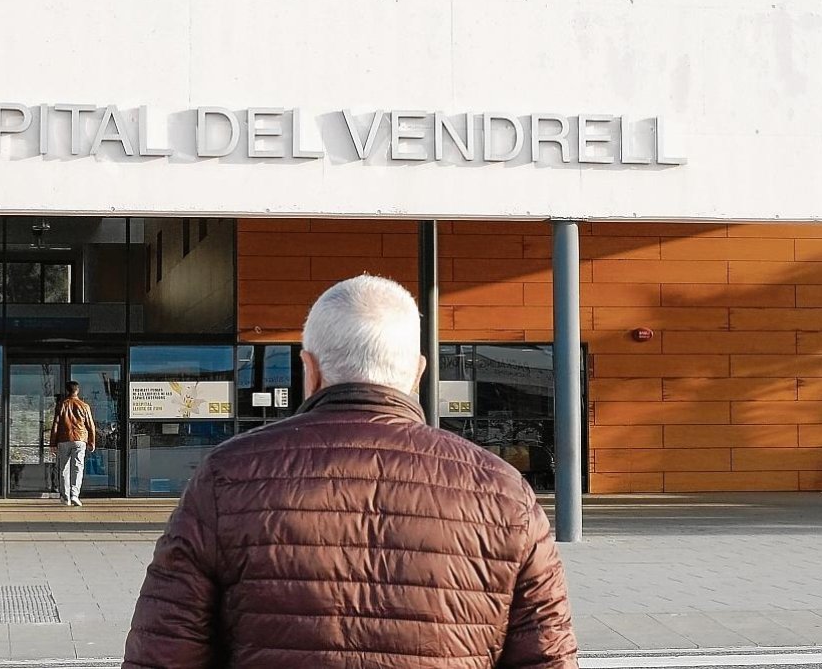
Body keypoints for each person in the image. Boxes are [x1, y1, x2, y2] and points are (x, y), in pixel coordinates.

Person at [123, 275, 578, 668]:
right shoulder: (502, 492)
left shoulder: (227, 477)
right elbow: (548, 654)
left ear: (310, 370)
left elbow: (163, 653)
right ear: (418, 373)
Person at [48, 381, 96, 507]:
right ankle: (75, 495)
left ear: (67, 390)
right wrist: (92, 441)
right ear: (77, 390)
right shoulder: (84, 406)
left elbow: (55, 425)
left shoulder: (61, 405)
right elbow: (90, 425)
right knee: (78, 468)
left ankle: (65, 497)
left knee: (64, 469)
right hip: (80, 439)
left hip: (63, 439)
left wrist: (52, 443)